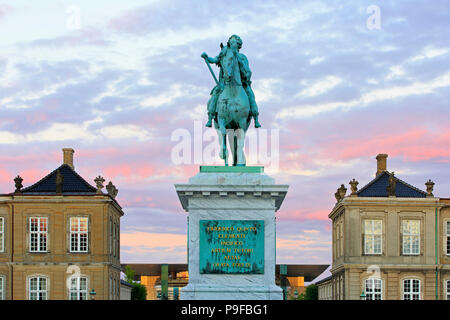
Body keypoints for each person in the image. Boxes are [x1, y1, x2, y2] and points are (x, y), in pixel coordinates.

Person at [201, 35, 261, 128]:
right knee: (215, 94)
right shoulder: (224, 53)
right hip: (224, 83)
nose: (233, 44)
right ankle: (210, 116)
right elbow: (215, 59)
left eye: (235, 43)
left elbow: (247, 71)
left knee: (250, 94)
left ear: (238, 45)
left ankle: (255, 117)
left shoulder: (242, 57)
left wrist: (244, 73)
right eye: (231, 42)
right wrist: (207, 58)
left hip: (241, 84)